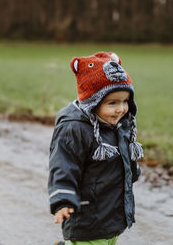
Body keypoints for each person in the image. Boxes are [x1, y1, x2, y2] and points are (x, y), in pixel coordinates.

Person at [48, 52, 144, 245]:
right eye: (112, 103)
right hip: (87, 220)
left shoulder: (118, 125)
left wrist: (131, 171)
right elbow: (63, 165)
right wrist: (63, 200)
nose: (121, 109)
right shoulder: (75, 129)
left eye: (125, 101)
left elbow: (123, 157)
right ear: (93, 102)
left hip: (112, 215)